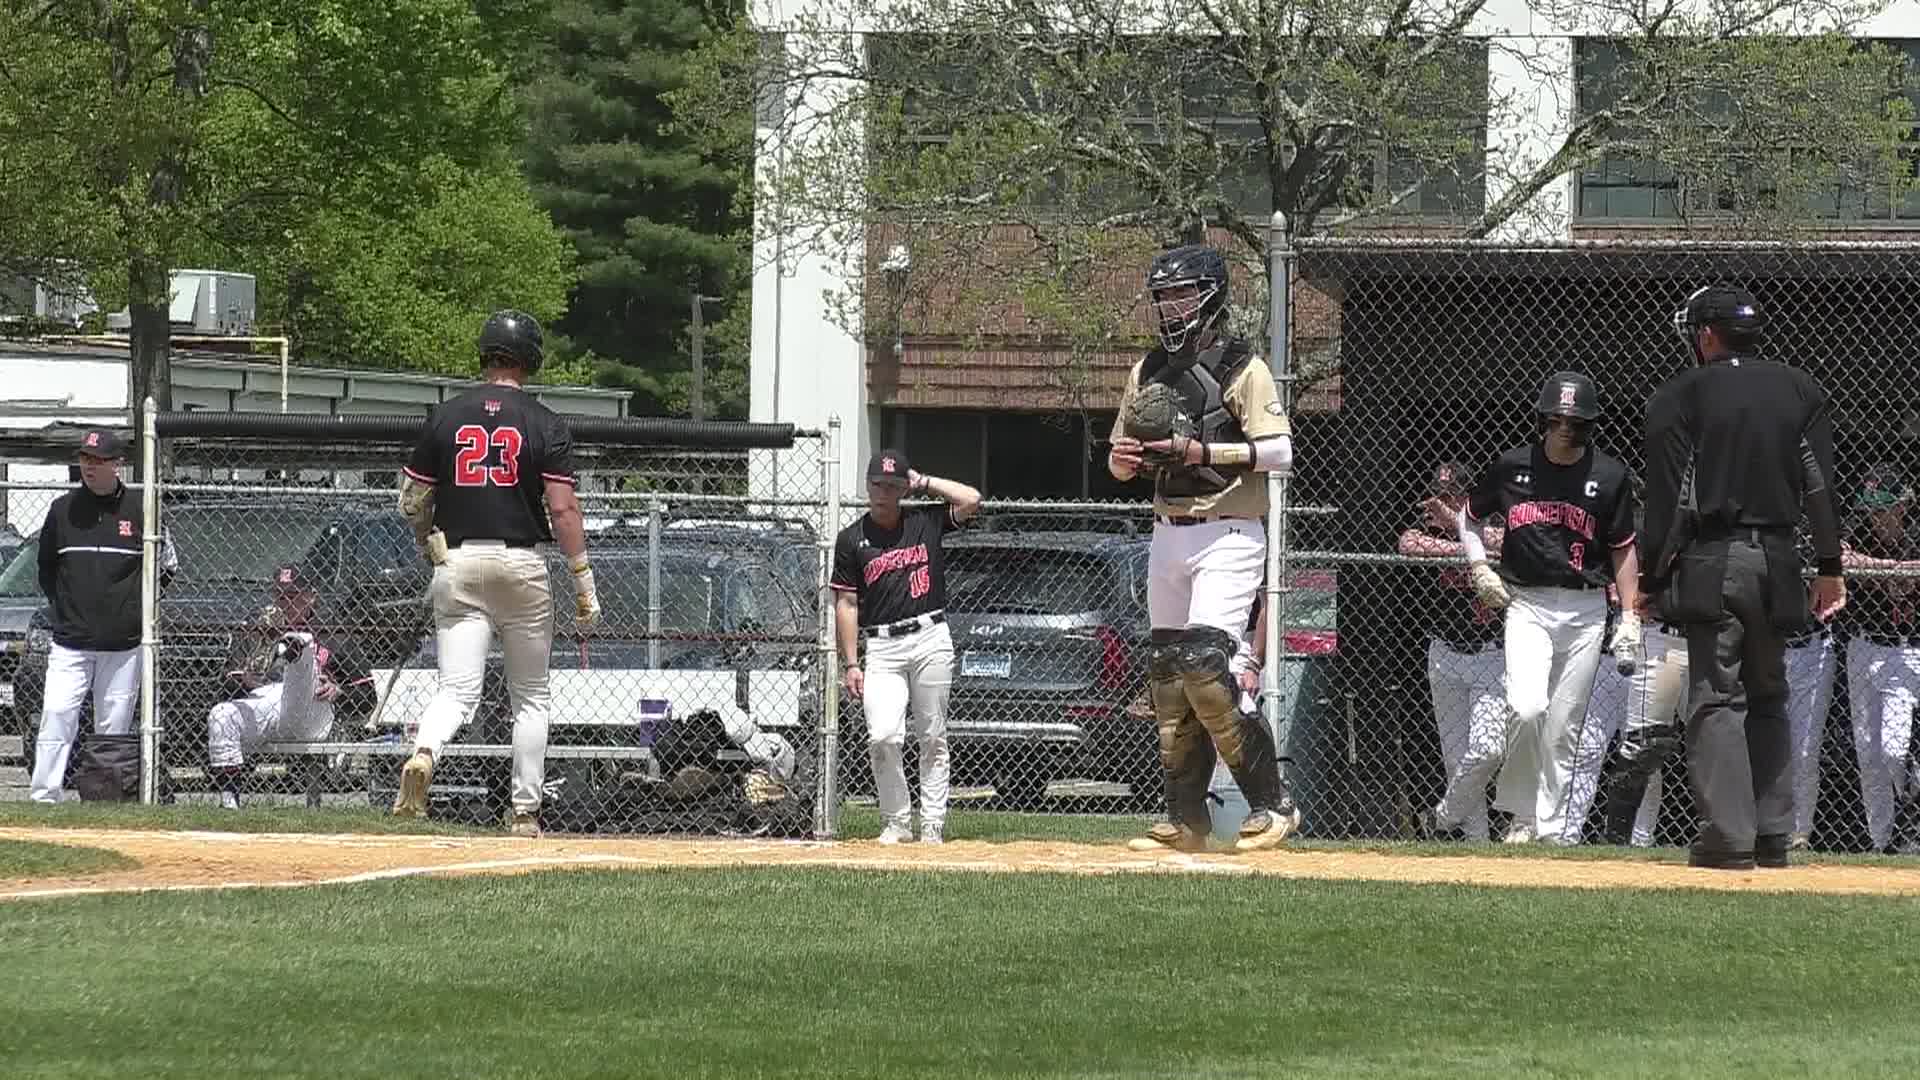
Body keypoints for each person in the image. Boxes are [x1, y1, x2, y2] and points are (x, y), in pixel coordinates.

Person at [1641, 283, 1846, 870]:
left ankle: (1728, 839)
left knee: (1716, 699)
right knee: (1769, 693)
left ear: (1705, 335)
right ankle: (1773, 834)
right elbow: (1819, 487)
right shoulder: (1802, 390)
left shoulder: (1680, 394)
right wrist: (1829, 566)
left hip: (1716, 558)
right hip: (1780, 559)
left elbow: (1668, 499)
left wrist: (1651, 578)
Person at [1107, 243, 1301, 854]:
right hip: (1169, 531)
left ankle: (1274, 806)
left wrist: (1204, 454)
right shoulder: (1146, 371)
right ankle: (1185, 820)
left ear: (1212, 295)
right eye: (1164, 295)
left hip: (1230, 529)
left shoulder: (1244, 366)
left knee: (1206, 666)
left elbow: (1279, 452)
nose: (1171, 305)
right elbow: (1119, 461)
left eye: (1183, 293)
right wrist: (1121, 461)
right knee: (1168, 676)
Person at [392, 310, 599, 835]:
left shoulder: (446, 414)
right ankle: (525, 811)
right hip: (520, 562)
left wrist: (426, 544)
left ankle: (425, 752)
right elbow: (563, 510)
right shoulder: (545, 422)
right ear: (530, 359)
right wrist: (582, 579)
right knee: (530, 696)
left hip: (456, 560)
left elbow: (413, 498)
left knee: (457, 691)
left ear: (484, 354)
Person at [1425, 372, 1641, 845]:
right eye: (1559, 420)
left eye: (1577, 421)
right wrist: (1480, 567)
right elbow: (1469, 516)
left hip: (1585, 610)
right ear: (1543, 419)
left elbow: (1624, 548)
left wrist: (1629, 615)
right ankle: (1524, 812)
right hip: (1527, 603)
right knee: (1526, 708)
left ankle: (1546, 831)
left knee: (1564, 727)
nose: (1568, 429)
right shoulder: (1512, 466)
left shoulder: (1608, 476)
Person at [831, 449, 981, 844]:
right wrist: (850, 663)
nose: (883, 492)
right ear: (866, 485)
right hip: (881, 646)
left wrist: (926, 482)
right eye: (877, 484)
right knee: (882, 736)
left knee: (932, 735)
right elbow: (845, 604)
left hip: (930, 636)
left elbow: (971, 500)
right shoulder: (851, 539)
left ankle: (931, 824)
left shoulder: (925, 521)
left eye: (892, 485)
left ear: (902, 489)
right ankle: (896, 821)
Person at [30, 427, 177, 803]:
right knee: (57, 715)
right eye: (85, 459)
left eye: (98, 460)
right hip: (70, 642)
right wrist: (66, 609)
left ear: (118, 465)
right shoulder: (62, 510)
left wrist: (135, 609)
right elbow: (46, 569)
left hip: (124, 643)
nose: (90, 466)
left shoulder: (141, 508)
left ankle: (103, 800)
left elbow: (167, 567)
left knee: (112, 727)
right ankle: (44, 796)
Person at [207, 565, 382, 809]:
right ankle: (229, 804)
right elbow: (226, 686)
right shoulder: (257, 627)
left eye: (293, 596)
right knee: (221, 714)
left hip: (311, 713)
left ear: (311, 595)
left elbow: (367, 696)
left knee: (301, 645)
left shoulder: (334, 631)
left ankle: (293, 650)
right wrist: (244, 680)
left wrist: (338, 691)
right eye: (280, 596)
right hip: (266, 702)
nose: (285, 602)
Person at [1398, 461, 1508, 842]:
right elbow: (1407, 544)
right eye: (1440, 493)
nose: (1442, 500)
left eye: (1452, 493)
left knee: (1488, 748)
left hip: (1490, 654)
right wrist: (1464, 545)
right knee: (1455, 759)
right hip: (1443, 653)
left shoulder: (1489, 515)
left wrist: (1461, 526)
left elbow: (1506, 541)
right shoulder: (1427, 519)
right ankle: (1478, 847)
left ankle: (1443, 818)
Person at [1837, 463, 1920, 854]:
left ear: (1902, 506)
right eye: (1871, 508)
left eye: (1883, 508)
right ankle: (1882, 844)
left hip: (1905, 649)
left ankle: (1912, 814)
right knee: (1868, 753)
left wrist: (1875, 569)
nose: (1875, 516)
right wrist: (1894, 570)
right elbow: (1843, 559)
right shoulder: (1858, 527)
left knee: (1893, 747)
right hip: (1862, 645)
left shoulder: (1915, 531)